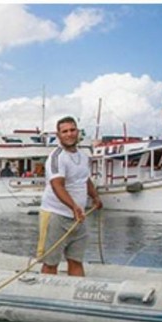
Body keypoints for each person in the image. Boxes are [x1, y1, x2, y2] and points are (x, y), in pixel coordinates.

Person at [37, 116, 103, 276]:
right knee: (50, 262)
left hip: (77, 217)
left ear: (77, 132)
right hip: (56, 215)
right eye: (64, 131)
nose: (69, 134)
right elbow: (57, 185)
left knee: (76, 260)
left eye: (72, 130)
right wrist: (73, 206)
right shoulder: (56, 157)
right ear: (58, 135)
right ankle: (45, 292)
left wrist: (95, 197)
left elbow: (84, 179)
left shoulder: (83, 155)